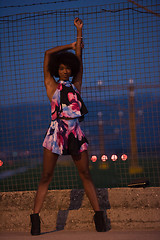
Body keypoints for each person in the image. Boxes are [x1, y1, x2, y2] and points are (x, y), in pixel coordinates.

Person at [30, 17, 106, 235]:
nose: (65, 71)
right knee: (46, 176)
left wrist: (79, 33)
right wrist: (70, 46)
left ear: (72, 70)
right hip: (55, 134)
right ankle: (35, 220)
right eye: (61, 68)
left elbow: (79, 60)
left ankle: (100, 220)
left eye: (68, 68)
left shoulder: (77, 84)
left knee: (86, 175)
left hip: (75, 133)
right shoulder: (51, 85)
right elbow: (47, 54)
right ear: (57, 70)